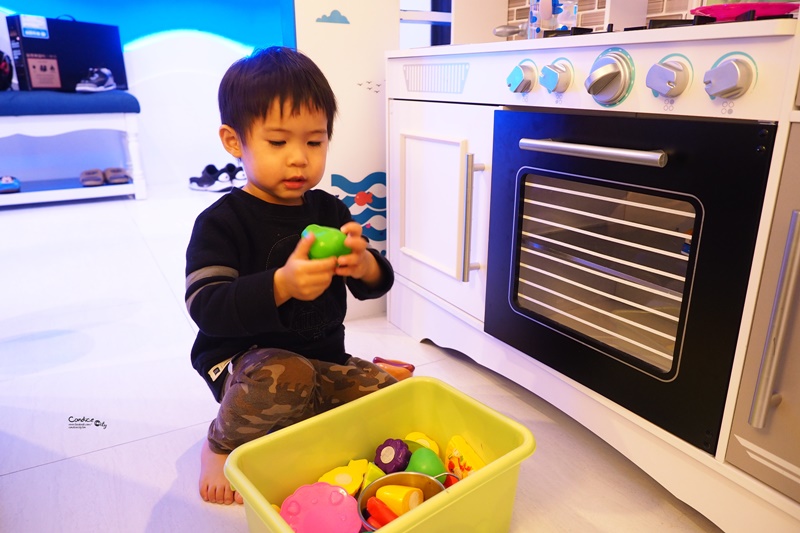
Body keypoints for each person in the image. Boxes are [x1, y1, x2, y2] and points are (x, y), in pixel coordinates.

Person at [185, 46, 397, 505]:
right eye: (279, 143)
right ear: (234, 141)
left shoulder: (329, 209)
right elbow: (206, 306)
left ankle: (321, 404)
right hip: (245, 366)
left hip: (322, 360)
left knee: (391, 396)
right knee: (283, 375)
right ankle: (219, 443)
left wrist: (365, 266)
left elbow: (376, 285)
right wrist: (280, 285)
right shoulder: (222, 222)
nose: (299, 158)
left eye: (315, 142)